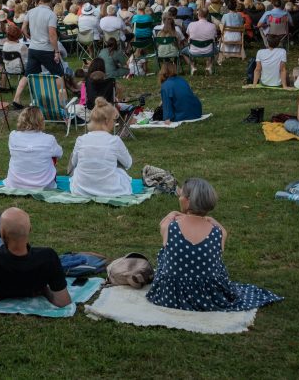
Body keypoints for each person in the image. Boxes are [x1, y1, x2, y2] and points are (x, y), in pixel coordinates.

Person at [146, 179, 282, 311]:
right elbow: (222, 236)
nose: (179, 197)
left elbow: (162, 225)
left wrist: (172, 214)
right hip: (210, 295)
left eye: (181, 195)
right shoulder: (218, 232)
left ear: (187, 201)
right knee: (218, 264)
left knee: (164, 252)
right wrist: (212, 221)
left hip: (171, 296)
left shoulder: (169, 227)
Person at [0, 207, 71, 314]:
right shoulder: (48, 256)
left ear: (2, 233)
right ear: (30, 229)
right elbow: (63, 302)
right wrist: (44, 290)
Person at [68, 100, 133, 197]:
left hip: (81, 190)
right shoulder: (115, 141)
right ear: (107, 120)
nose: (114, 123)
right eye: (114, 120)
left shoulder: (81, 140)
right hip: (112, 191)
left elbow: (73, 164)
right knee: (121, 167)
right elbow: (128, 163)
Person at [3, 107, 62, 190]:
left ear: (21, 119)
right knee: (52, 155)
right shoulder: (49, 139)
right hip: (44, 185)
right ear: (41, 120)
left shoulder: (13, 135)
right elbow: (60, 154)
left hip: (15, 184)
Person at [181, 8, 218, 74]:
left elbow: (189, 36)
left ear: (198, 15)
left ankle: (192, 66)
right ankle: (209, 66)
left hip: (193, 50)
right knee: (217, 51)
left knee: (183, 52)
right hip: (208, 50)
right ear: (207, 16)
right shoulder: (213, 26)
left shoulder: (191, 25)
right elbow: (214, 37)